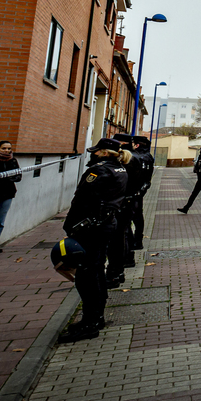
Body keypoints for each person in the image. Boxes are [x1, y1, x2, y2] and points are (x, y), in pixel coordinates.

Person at [60, 138, 128, 343]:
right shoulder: (120, 169)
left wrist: (71, 225)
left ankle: (90, 322)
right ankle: (95, 318)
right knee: (96, 270)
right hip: (104, 224)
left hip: (91, 227)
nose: (94, 154)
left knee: (87, 274)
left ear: (105, 153)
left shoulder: (99, 171)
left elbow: (82, 198)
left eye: (97, 151)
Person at [106, 134, 147, 287]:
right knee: (124, 232)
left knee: (120, 236)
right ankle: (124, 263)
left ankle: (117, 270)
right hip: (127, 202)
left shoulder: (126, 162)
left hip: (121, 204)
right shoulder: (133, 159)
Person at [129, 136, 154, 249]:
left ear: (137, 145)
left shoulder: (137, 157)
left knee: (134, 216)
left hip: (133, 190)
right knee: (138, 215)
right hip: (140, 190)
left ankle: (135, 241)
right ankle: (138, 240)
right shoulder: (148, 157)